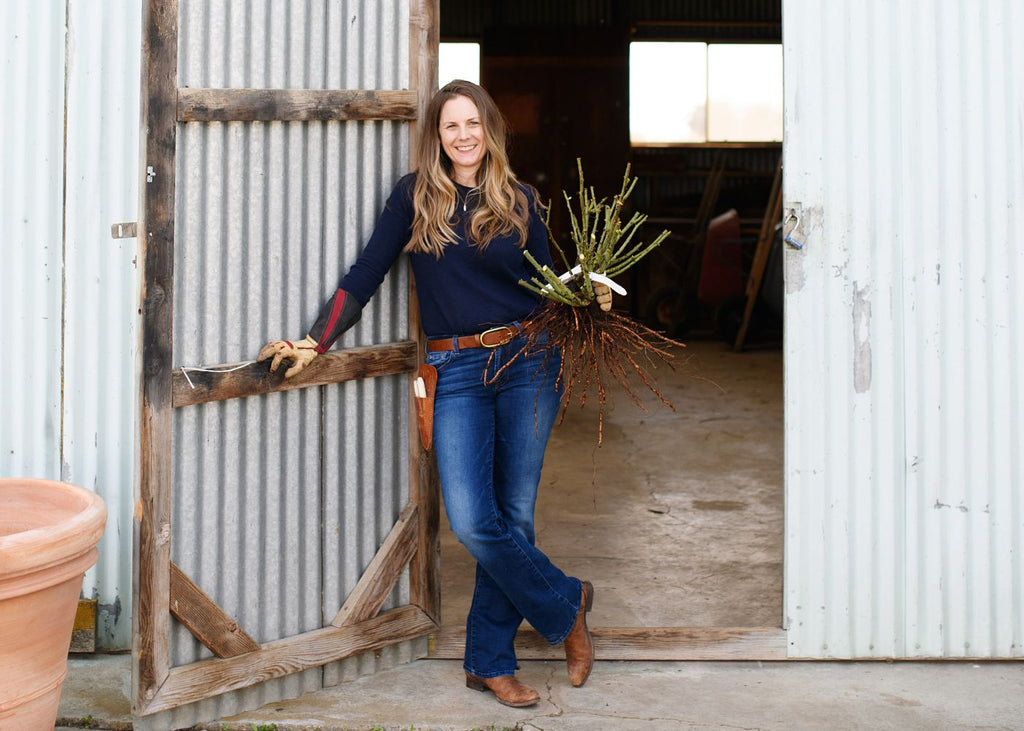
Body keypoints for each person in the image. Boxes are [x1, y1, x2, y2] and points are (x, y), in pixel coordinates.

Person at [257, 79, 610, 708]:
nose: (464, 135)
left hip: (531, 360)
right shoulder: (415, 198)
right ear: (437, 137)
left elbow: (551, 283)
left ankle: (489, 662)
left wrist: (592, 299)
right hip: (457, 371)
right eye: (452, 126)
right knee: (476, 522)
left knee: (515, 514)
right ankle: (567, 604)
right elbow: (365, 272)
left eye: (474, 123)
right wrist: (317, 339)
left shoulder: (521, 199)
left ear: (490, 130)